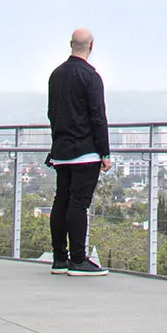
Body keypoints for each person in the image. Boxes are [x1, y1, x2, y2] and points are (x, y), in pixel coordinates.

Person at [46, 28, 111, 276]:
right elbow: (98, 116)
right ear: (91, 46)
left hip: (61, 150)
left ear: (70, 44)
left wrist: (57, 142)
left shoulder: (56, 75)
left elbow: (52, 113)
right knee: (78, 204)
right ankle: (78, 260)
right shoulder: (91, 77)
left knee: (61, 201)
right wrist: (105, 153)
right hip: (85, 152)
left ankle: (59, 259)